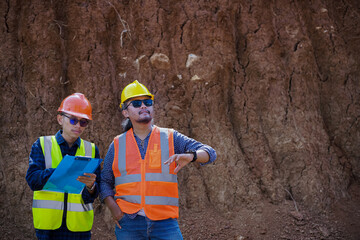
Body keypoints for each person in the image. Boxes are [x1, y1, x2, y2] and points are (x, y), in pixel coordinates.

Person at [100, 80, 217, 239]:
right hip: (129, 223)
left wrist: (191, 156)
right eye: (136, 103)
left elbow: (210, 153)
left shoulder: (170, 137)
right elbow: (105, 180)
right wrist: (115, 211)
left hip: (165, 223)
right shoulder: (117, 144)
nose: (143, 106)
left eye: (147, 102)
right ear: (125, 112)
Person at [26, 93, 101, 240]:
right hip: (48, 228)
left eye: (83, 122)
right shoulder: (42, 144)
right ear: (60, 119)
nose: (78, 126)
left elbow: (91, 196)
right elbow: (32, 180)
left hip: (79, 228)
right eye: (73, 120)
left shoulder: (91, 150)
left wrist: (91, 187)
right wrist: (60, 173)